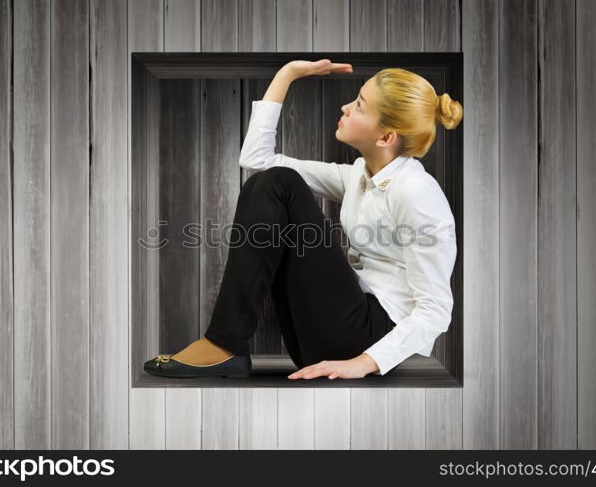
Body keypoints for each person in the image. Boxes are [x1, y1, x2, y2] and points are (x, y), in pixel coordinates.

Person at [144, 59, 462, 379]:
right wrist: (288, 75)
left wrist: (364, 363)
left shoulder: (416, 193)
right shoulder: (357, 176)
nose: (346, 107)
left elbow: (435, 311)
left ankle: (224, 345)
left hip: (367, 339)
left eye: (360, 106)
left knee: (282, 183)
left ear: (385, 137)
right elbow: (258, 162)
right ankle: (226, 346)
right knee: (273, 181)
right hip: (324, 334)